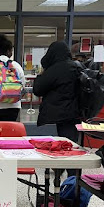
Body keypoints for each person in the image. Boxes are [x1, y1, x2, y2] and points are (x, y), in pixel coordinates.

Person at [33, 40, 80, 176]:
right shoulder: (77, 66)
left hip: (61, 114)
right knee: (72, 144)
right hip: (77, 113)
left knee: (65, 146)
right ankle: (69, 177)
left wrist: (42, 73)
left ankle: (67, 180)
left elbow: (38, 89)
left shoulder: (57, 68)